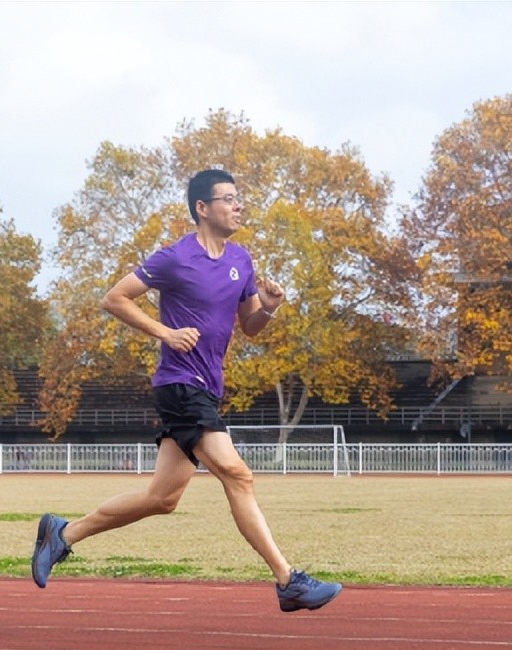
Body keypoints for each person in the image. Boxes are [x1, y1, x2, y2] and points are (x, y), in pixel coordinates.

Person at [31, 169, 342, 613]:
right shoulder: (175, 258)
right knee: (237, 475)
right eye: (228, 198)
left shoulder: (241, 260)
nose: (238, 205)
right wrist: (166, 333)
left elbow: (250, 326)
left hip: (207, 388)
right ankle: (288, 580)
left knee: (162, 499)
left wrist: (270, 308)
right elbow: (114, 298)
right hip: (180, 384)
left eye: (238, 198)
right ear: (202, 207)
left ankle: (61, 534)